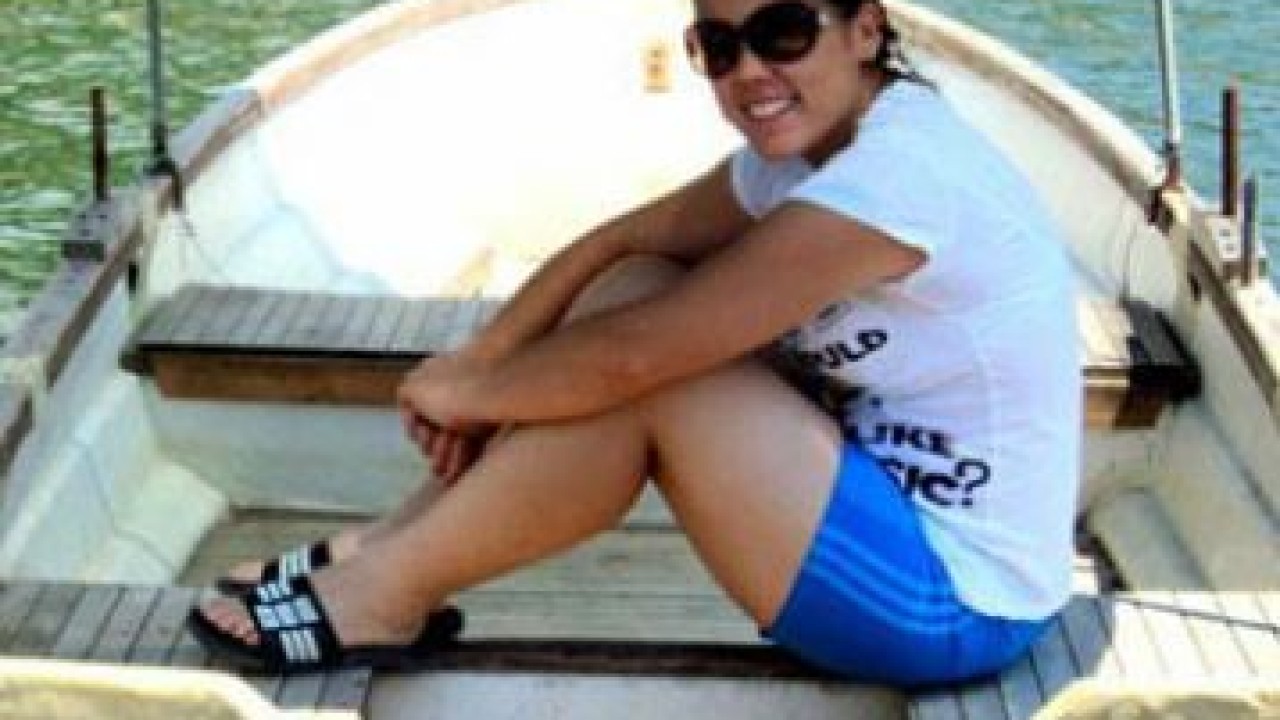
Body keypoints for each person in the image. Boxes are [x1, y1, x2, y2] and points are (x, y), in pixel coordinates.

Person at [189, 0, 1081, 685]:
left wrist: (467, 396)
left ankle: (388, 594)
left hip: (958, 602)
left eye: (782, 32)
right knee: (642, 283)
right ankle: (388, 549)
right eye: (719, 47)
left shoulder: (903, 176)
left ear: (865, 29)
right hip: (875, 504)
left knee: (660, 376)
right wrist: (483, 359)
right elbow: (621, 243)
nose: (751, 71)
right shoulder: (805, 158)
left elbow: (636, 358)